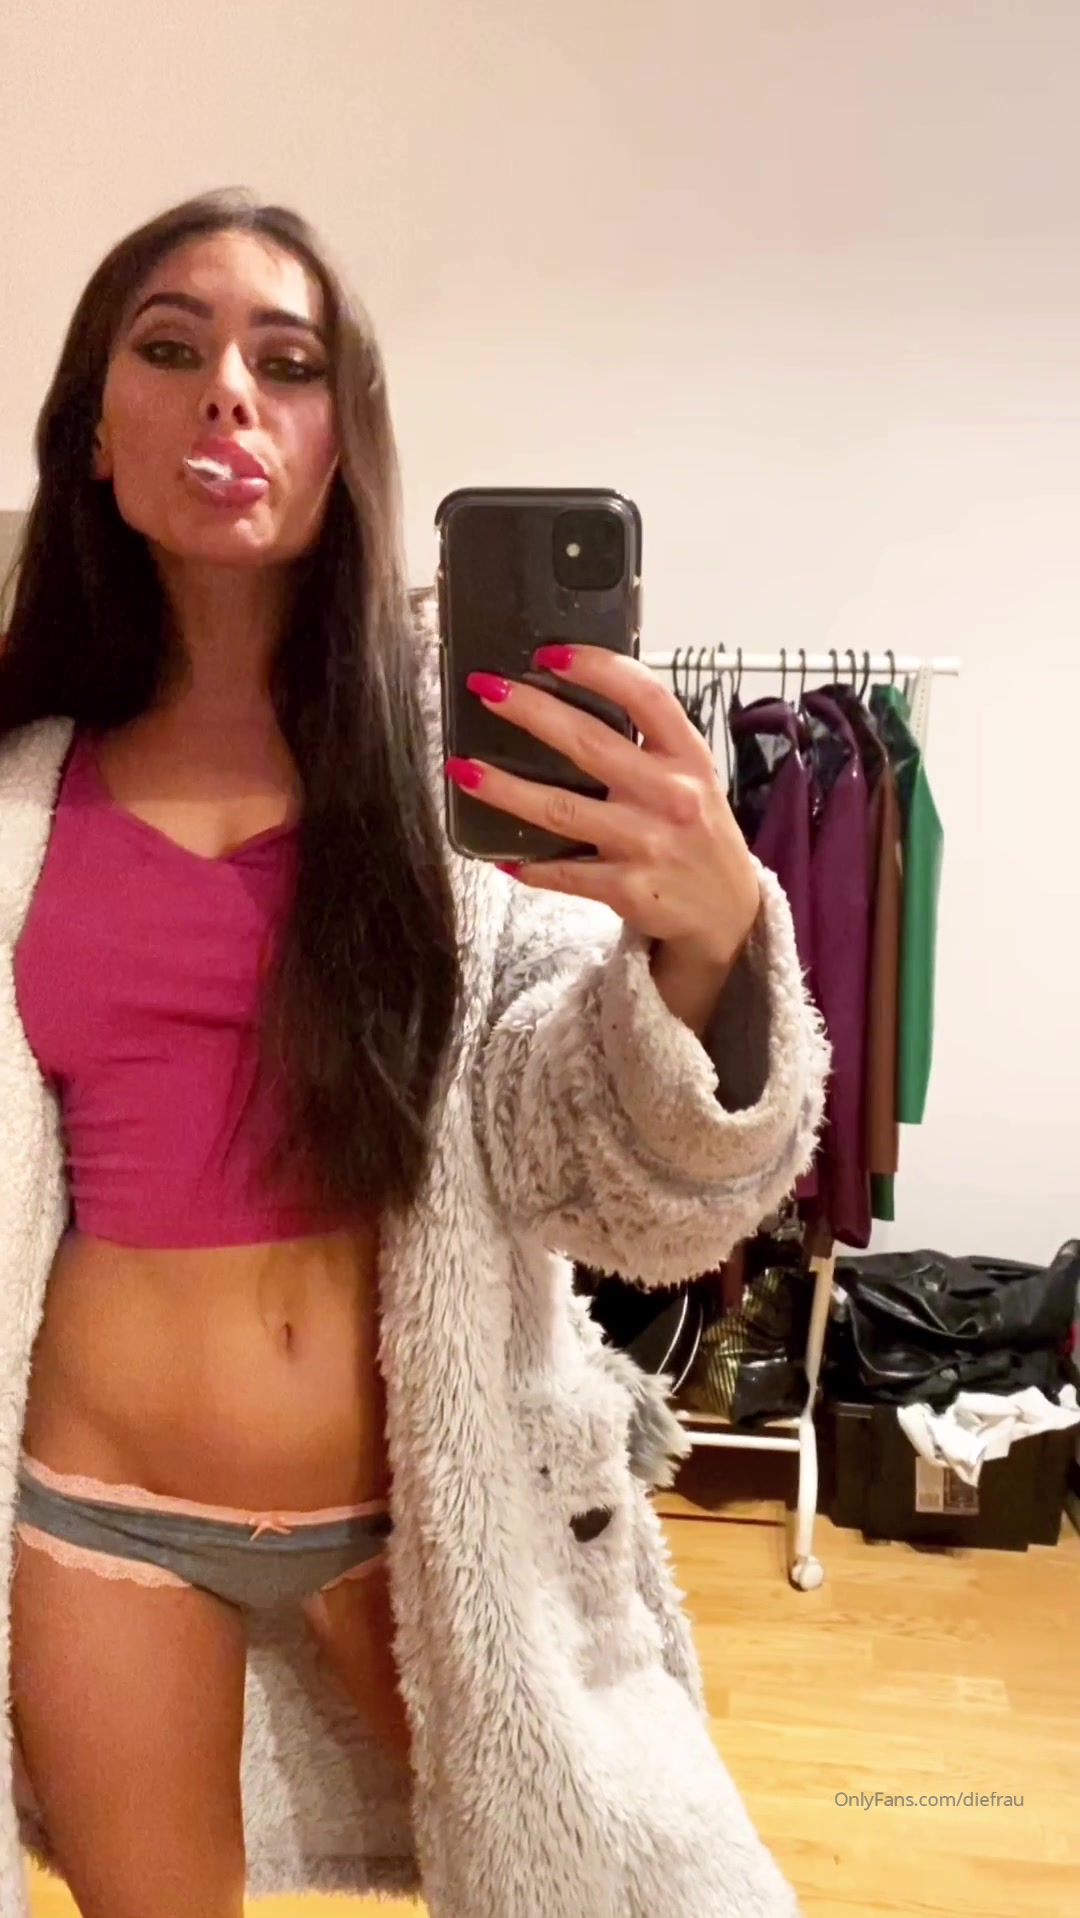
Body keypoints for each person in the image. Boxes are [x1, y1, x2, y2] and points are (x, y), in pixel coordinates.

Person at [0, 190, 826, 1918]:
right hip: (95, 1514)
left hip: (433, 1508)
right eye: (171, 347)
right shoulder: (16, 800)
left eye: (287, 362)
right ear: (95, 429)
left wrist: (707, 945)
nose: (229, 390)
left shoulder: (463, 796)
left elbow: (609, 1161)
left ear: (344, 442)